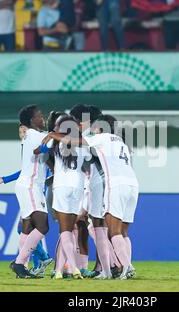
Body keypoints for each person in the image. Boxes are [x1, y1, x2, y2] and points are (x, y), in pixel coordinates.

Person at [42, 113, 139, 280]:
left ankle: (125, 267)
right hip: (133, 185)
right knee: (123, 231)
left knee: (113, 230)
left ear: (102, 128)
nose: (93, 129)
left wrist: (52, 134)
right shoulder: (121, 142)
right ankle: (110, 270)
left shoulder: (102, 138)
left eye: (95, 126)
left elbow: (73, 141)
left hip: (115, 185)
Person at [0, 124, 53, 277]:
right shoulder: (27, 149)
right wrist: (3, 179)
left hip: (37, 193)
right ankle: (30, 264)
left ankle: (36, 262)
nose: (23, 133)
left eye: (25, 130)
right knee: (24, 229)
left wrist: (4, 179)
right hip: (31, 192)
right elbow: (25, 171)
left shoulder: (40, 145)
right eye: (20, 132)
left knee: (33, 228)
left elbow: (48, 172)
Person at [49, 114, 92, 279]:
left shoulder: (58, 143)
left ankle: (73, 267)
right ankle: (59, 270)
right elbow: (88, 160)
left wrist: (53, 133)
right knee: (70, 230)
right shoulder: (83, 145)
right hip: (78, 188)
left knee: (65, 231)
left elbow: (43, 152)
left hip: (61, 187)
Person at [10, 105, 50, 279]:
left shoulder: (31, 136)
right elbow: (50, 147)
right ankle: (19, 263)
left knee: (27, 229)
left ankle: (22, 268)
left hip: (28, 185)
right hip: (31, 186)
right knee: (43, 226)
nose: (43, 118)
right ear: (32, 120)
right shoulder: (35, 135)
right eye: (40, 115)